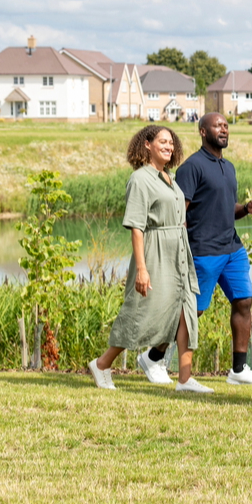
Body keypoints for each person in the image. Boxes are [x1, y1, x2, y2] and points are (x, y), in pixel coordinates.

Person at [136, 112, 252, 387]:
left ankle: (239, 369)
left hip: (232, 248)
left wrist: (246, 208)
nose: (223, 129)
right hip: (203, 251)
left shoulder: (228, 167)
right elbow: (178, 212)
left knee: (244, 301)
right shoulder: (192, 167)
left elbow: (223, 209)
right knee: (191, 312)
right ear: (202, 131)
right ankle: (152, 357)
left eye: (226, 126)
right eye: (217, 126)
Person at [88, 125, 210, 392]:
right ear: (147, 145)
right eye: (162, 142)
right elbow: (136, 226)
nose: (168, 146)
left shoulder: (169, 177)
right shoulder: (140, 179)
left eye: (171, 143)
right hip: (155, 252)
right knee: (142, 311)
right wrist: (142, 269)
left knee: (186, 310)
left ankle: (185, 379)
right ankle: (102, 364)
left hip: (178, 251)